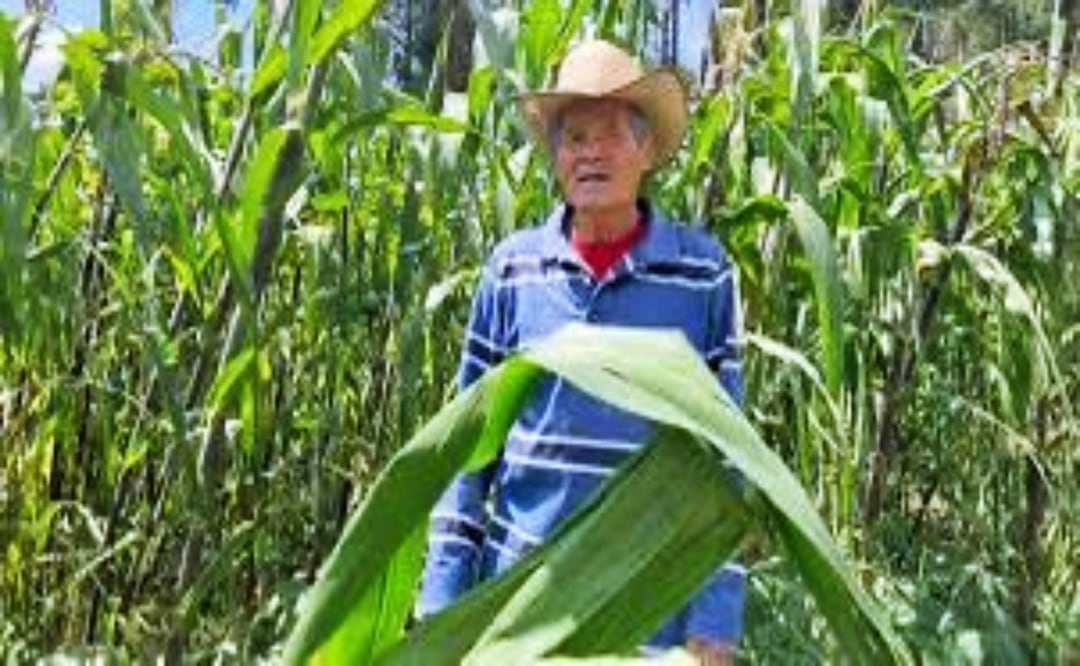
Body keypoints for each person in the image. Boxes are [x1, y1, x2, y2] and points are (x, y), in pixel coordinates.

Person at [418, 39, 746, 664]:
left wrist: (716, 620)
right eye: (573, 138)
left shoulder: (702, 275)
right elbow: (464, 453)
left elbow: (728, 460)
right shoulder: (511, 271)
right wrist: (441, 607)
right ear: (554, 156)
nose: (590, 152)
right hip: (519, 615)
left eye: (611, 135)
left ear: (647, 151)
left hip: (650, 616)